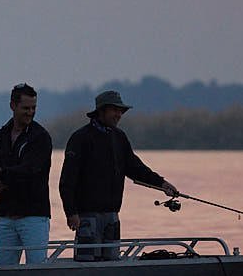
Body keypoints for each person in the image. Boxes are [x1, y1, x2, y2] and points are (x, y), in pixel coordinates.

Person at [59, 90, 179, 261]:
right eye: (114, 110)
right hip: (87, 216)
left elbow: (135, 168)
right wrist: (71, 212)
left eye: (121, 111)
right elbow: (67, 181)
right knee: (87, 265)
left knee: (112, 264)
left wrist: (162, 183)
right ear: (101, 111)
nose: (119, 115)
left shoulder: (119, 137)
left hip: (112, 216)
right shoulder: (80, 138)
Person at [0, 82, 53, 265]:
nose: (30, 112)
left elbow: (30, 170)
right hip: (6, 216)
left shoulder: (40, 137)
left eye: (33, 108)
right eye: (26, 108)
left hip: (34, 216)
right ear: (13, 106)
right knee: (2, 271)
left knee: (37, 269)